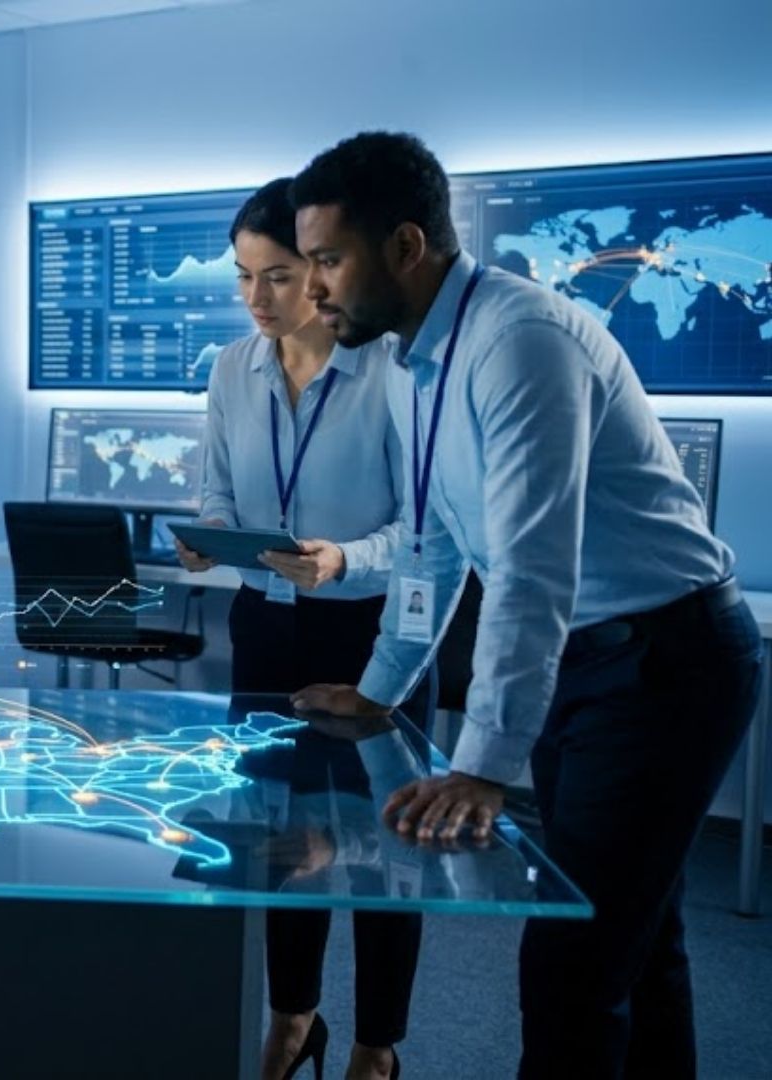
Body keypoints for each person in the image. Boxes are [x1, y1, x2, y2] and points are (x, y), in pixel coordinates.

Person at [286, 132, 761, 1078]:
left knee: (574, 963)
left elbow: (532, 568)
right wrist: (380, 690)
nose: (312, 290)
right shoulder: (414, 363)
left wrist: (482, 765)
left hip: (665, 662)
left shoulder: (519, 342)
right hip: (591, 661)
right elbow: (434, 545)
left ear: (406, 247)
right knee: (635, 943)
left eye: (329, 260)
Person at [175, 177, 421, 1080]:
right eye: (243, 277)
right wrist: (209, 538)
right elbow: (217, 492)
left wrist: (344, 559)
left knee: (384, 849)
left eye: (276, 276)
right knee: (279, 835)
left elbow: (427, 532)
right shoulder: (230, 369)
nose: (257, 298)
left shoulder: (391, 369)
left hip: (372, 634)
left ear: (322, 271)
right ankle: (293, 1018)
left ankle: (376, 1046)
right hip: (266, 630)